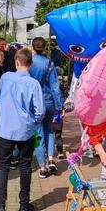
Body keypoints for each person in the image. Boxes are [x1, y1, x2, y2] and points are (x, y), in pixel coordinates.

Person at [0, 48, 44, 211]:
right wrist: (33, 122)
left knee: (3, 167)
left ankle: (0, 206)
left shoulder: (6, 78)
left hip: (6, 129)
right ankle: (23, 205)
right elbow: (40, 111)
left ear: (16, 62)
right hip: (25, 130)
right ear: (30, 64)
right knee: (25, 167)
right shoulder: (33, 83)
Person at [29, 37, 63, 178]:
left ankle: (42, 167)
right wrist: (60, 106)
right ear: (45, 47)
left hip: (35, 103)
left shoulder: (29, 63)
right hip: (48, 101)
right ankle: (50, 159)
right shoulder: (50, 63)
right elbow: (55, 87)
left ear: (33, 47)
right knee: (49, 129)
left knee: (38, 134)